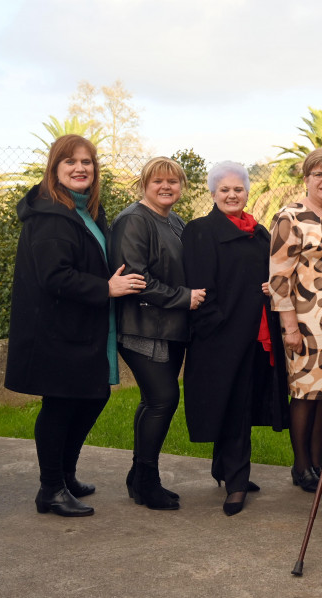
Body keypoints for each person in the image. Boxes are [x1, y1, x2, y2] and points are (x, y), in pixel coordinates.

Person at [5, 134, 146, 517]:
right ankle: (50, 489)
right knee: (61, 404)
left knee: (92, 396)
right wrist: (107, 287)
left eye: (87, 162)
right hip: (54, 330)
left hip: (80, 326)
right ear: (55, 169)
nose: (80, 168)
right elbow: (55, 276)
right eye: (70, 162)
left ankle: (64, 476)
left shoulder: (84, 211)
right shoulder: (51, 216)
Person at [182, 161, 288, 516]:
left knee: (241, 405)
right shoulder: (200, 230)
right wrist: (215, 327)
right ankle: (237, 484)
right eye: (224, 189)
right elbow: (199, 284)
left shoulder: (259, 234)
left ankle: (227, 469)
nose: (231, 195)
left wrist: (269, 286)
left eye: (238, 189)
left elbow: (273, 274)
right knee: (229, 406)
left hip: (256, 336)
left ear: (247, 193)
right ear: (213, 194)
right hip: (220, 337)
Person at [110, 157, 206, 510]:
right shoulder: (135, 220)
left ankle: (138, 477)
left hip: (170, 328)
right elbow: (135, 279)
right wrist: (185, 297)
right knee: (163, 399)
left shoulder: (175, 221)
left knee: (154, 400)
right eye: (158, 182)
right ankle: (148, 481)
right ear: (144, 185)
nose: (166, 187)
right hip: (144, 328)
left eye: (173, 181)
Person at [269, 148, 322, 493]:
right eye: (319, 174)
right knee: (304, 393)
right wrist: (289, 326)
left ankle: (318, 466)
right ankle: (300, 466)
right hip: (303, 318)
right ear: (306, 179)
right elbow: (278, 275)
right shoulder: (290, 216)